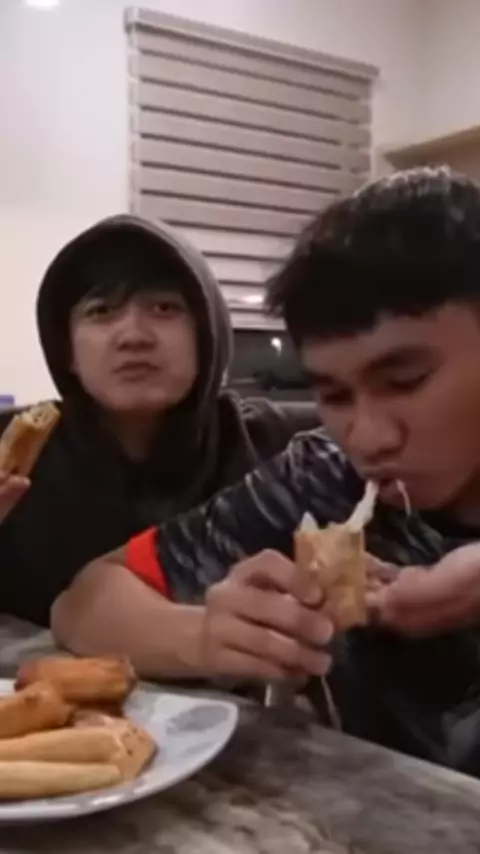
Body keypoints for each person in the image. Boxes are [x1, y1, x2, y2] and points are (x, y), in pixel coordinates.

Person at [53, 167, 480, 775]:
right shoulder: (320, 479)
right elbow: (86, 600)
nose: (367, 438)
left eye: (406, 381)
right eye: (334, 395)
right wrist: (207, 638)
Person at [0, 215, 300, 626]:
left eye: (164, 308)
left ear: (206, 335)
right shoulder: (13, 453)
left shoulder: (281, 447)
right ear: (66, 350)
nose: (133, 336)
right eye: (101, 311)